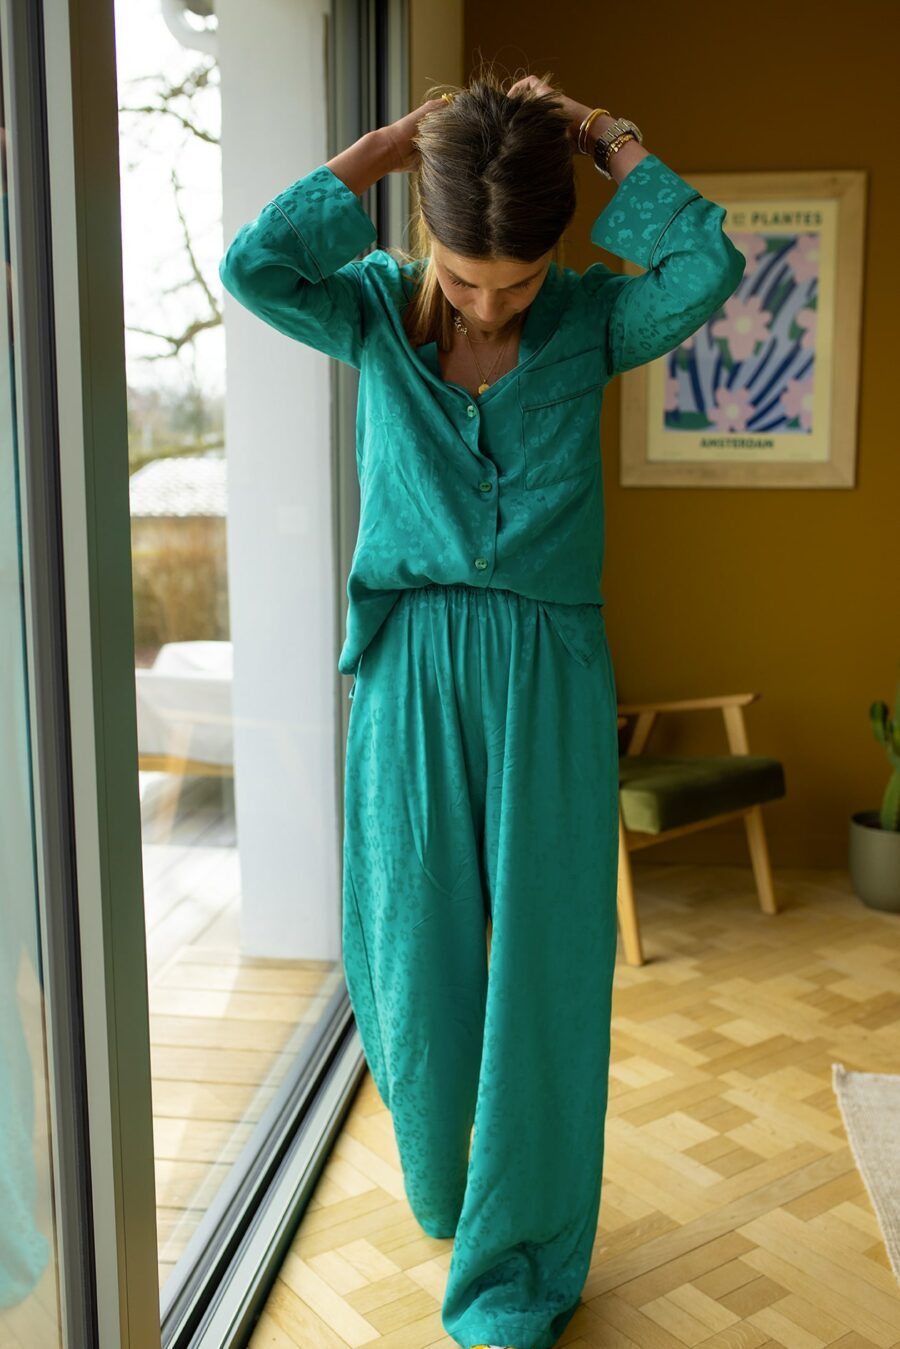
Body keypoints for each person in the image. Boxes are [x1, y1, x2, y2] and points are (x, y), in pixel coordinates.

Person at [219, 66, 746, 1349]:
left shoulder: (592, 320)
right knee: (412, 945)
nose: (492, 305)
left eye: (517, 282)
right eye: (465, 281)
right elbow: (253, 268)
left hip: (548, 670)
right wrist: (385, 146)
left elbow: (708, 267)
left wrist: (608, 138)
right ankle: (448, 1179)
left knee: (548, 963)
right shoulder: (367, 312)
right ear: (426, 237)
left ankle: (518, 1261)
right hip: (409, 664)